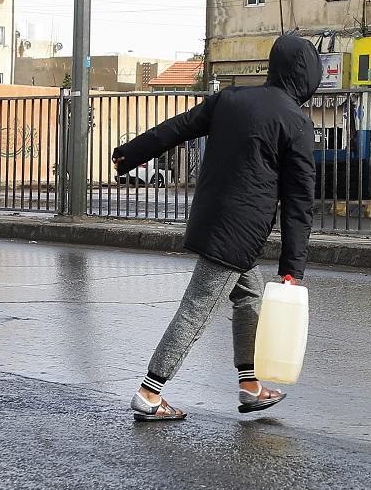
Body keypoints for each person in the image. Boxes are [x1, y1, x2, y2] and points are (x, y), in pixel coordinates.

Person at [113, 34, 321, 422]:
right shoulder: (296, 122)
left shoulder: (231, 98)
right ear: (308, 76)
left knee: (249, 297)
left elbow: (179, 127)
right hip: (238, 232)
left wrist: (132, 153)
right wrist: (292, 269)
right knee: (196, 311)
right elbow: (299, 204)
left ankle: (250, 386)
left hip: (211, 217)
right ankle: (149, 393)